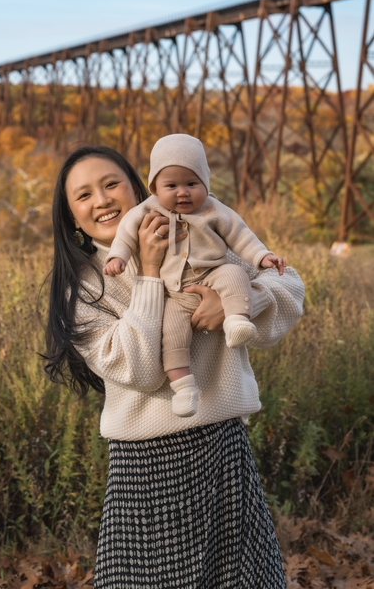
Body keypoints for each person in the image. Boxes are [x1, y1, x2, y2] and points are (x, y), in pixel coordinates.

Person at [45, 144, 304, 589]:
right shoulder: (83, 290)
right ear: (71, 216)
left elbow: (291, 285)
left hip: (223, 446)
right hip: (146, 468)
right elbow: (142, 371)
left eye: (111, 185)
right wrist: (147, 273)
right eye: (83, 195)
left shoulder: (202, 238)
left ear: (141, 187)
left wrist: (236, 302)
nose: (102, 201)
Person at [103, 134, 287, 418]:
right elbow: (126, 234)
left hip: (213, 274)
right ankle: (184, 387)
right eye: (171, 186)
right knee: (172, 337)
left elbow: (241, 236)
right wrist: (118, 257)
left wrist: (263, 257)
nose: (182, 193)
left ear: (205, 184)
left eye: (192, 184)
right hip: (174, 295)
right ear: (154, 188)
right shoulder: (147, 210)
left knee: (234, 273)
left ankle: (238, 320)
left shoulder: (215, 210)